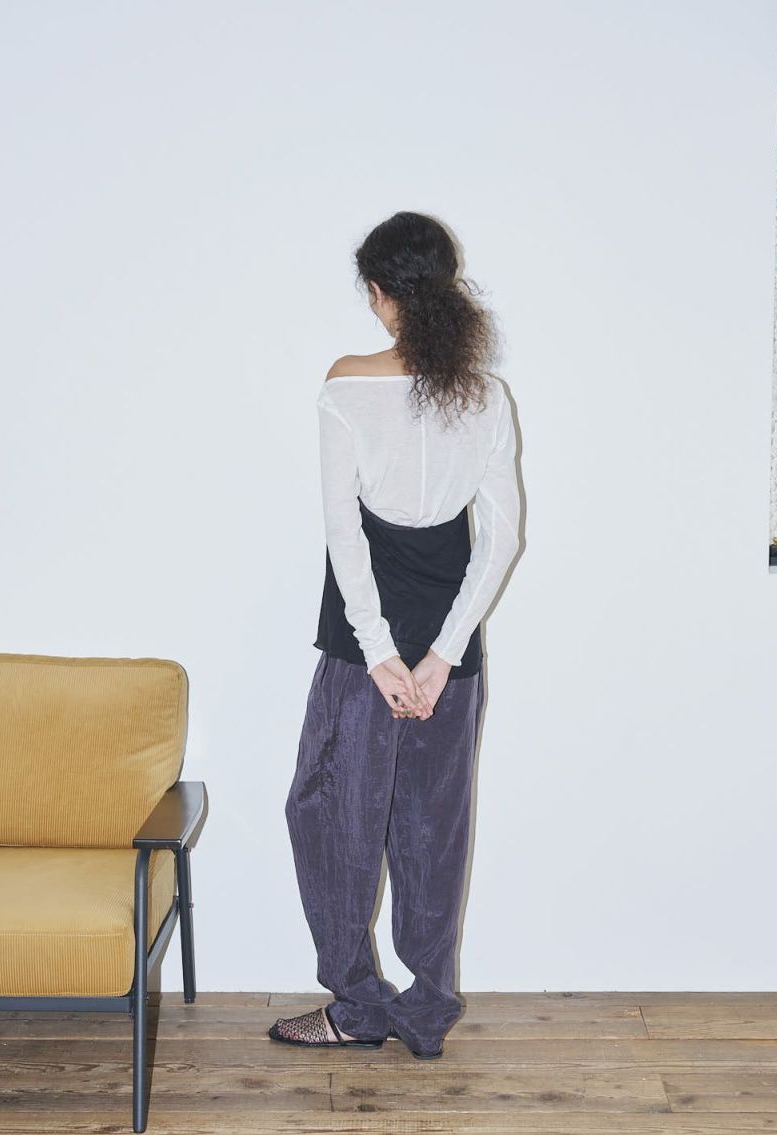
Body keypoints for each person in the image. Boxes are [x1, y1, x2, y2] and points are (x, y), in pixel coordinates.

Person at [268, 211, 521, 1059]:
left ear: (380, 294)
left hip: (360, 651)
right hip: (451, 651)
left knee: (331, 815)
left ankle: (356, 1006)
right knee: (433, 828)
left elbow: (345, 534)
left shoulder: (346, 386)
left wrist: (381, 655)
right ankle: (425, 1013)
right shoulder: (485, 396)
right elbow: (502, 539)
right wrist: (442, 656)